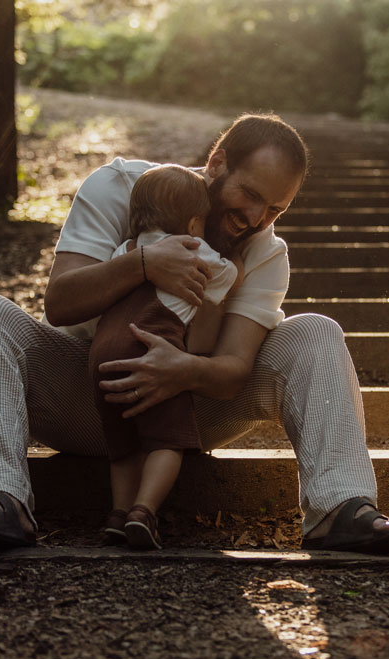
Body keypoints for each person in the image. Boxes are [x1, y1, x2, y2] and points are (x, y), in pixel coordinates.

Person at [0, 113, 389, 554]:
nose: (255, 219)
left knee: (315, 331)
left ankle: (341, 506)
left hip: (190, 411)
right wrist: (144, 263)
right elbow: (60, 303)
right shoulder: (121, 186)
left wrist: (182, 370)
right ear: (217, 163)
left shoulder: (266, 253)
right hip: (83, 392)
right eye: (250, 195)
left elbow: (232, 372)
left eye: (275, 208)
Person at [89, 164, 238, 549]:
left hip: (102, 359)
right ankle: (144, 511)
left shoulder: (125, 251)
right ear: (193, 224)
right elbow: (225, 277)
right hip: (152, 354)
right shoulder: (196, 250)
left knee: (123, 447)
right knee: (165, 443)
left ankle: (117, 514)